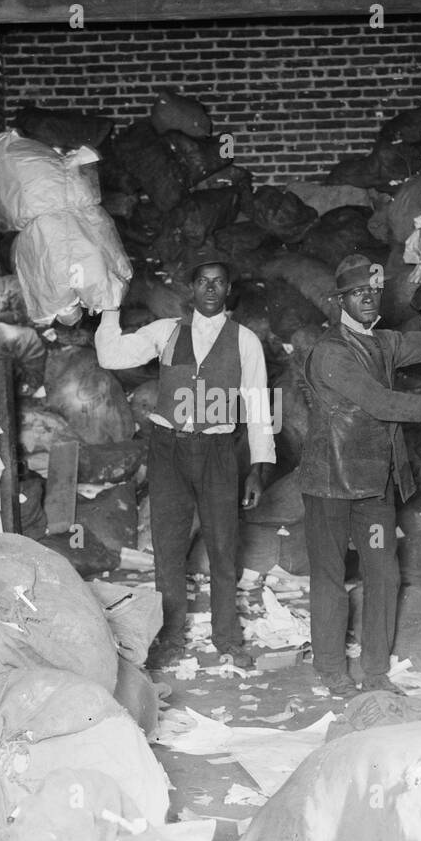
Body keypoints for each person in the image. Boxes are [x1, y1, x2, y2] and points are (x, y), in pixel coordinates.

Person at [298, 253, 421, 697]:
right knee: (329, 575)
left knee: (382, 572)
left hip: (374, 486)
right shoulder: (330, 353)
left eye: (373, 292)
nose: (368, 299)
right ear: (339, 300)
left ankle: (375, 671)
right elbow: (381, 403)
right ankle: (331, 671)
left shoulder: (382, 342)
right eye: (357, 293)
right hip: (330, 483)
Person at [95, 261, 275, 670]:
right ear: (191, 289)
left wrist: (259, 467)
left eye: (219, 282)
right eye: (203, 282)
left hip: (217, 452)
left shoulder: (245, 341)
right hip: (168, 451)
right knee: (168, 547)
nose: (211, 288)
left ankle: (228, 638)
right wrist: (109, 310)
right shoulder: (166, 331)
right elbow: (109, 356)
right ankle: (171, 637)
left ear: (228, 289)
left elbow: (260, 406)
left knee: (224, 547)